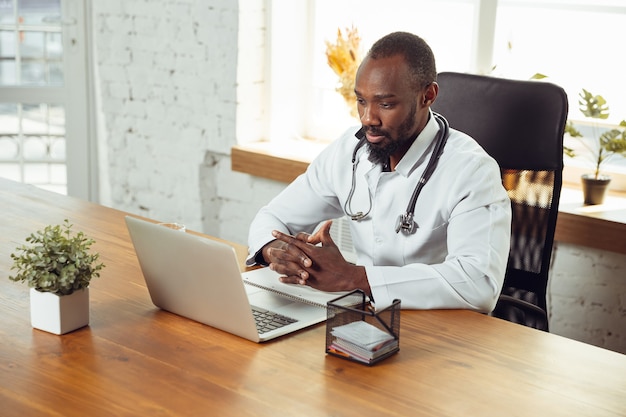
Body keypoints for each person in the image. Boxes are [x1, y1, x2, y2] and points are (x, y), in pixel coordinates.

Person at [246, 31, 512, 312]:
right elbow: (273, 217)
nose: (368, 118)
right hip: (365, 318)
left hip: (440, 327)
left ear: (427, 96)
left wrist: (354, 277)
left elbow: (478, 283)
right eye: (361, 101)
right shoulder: (350, 150)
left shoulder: (471, 170)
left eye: (385, 104)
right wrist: (277, 251)